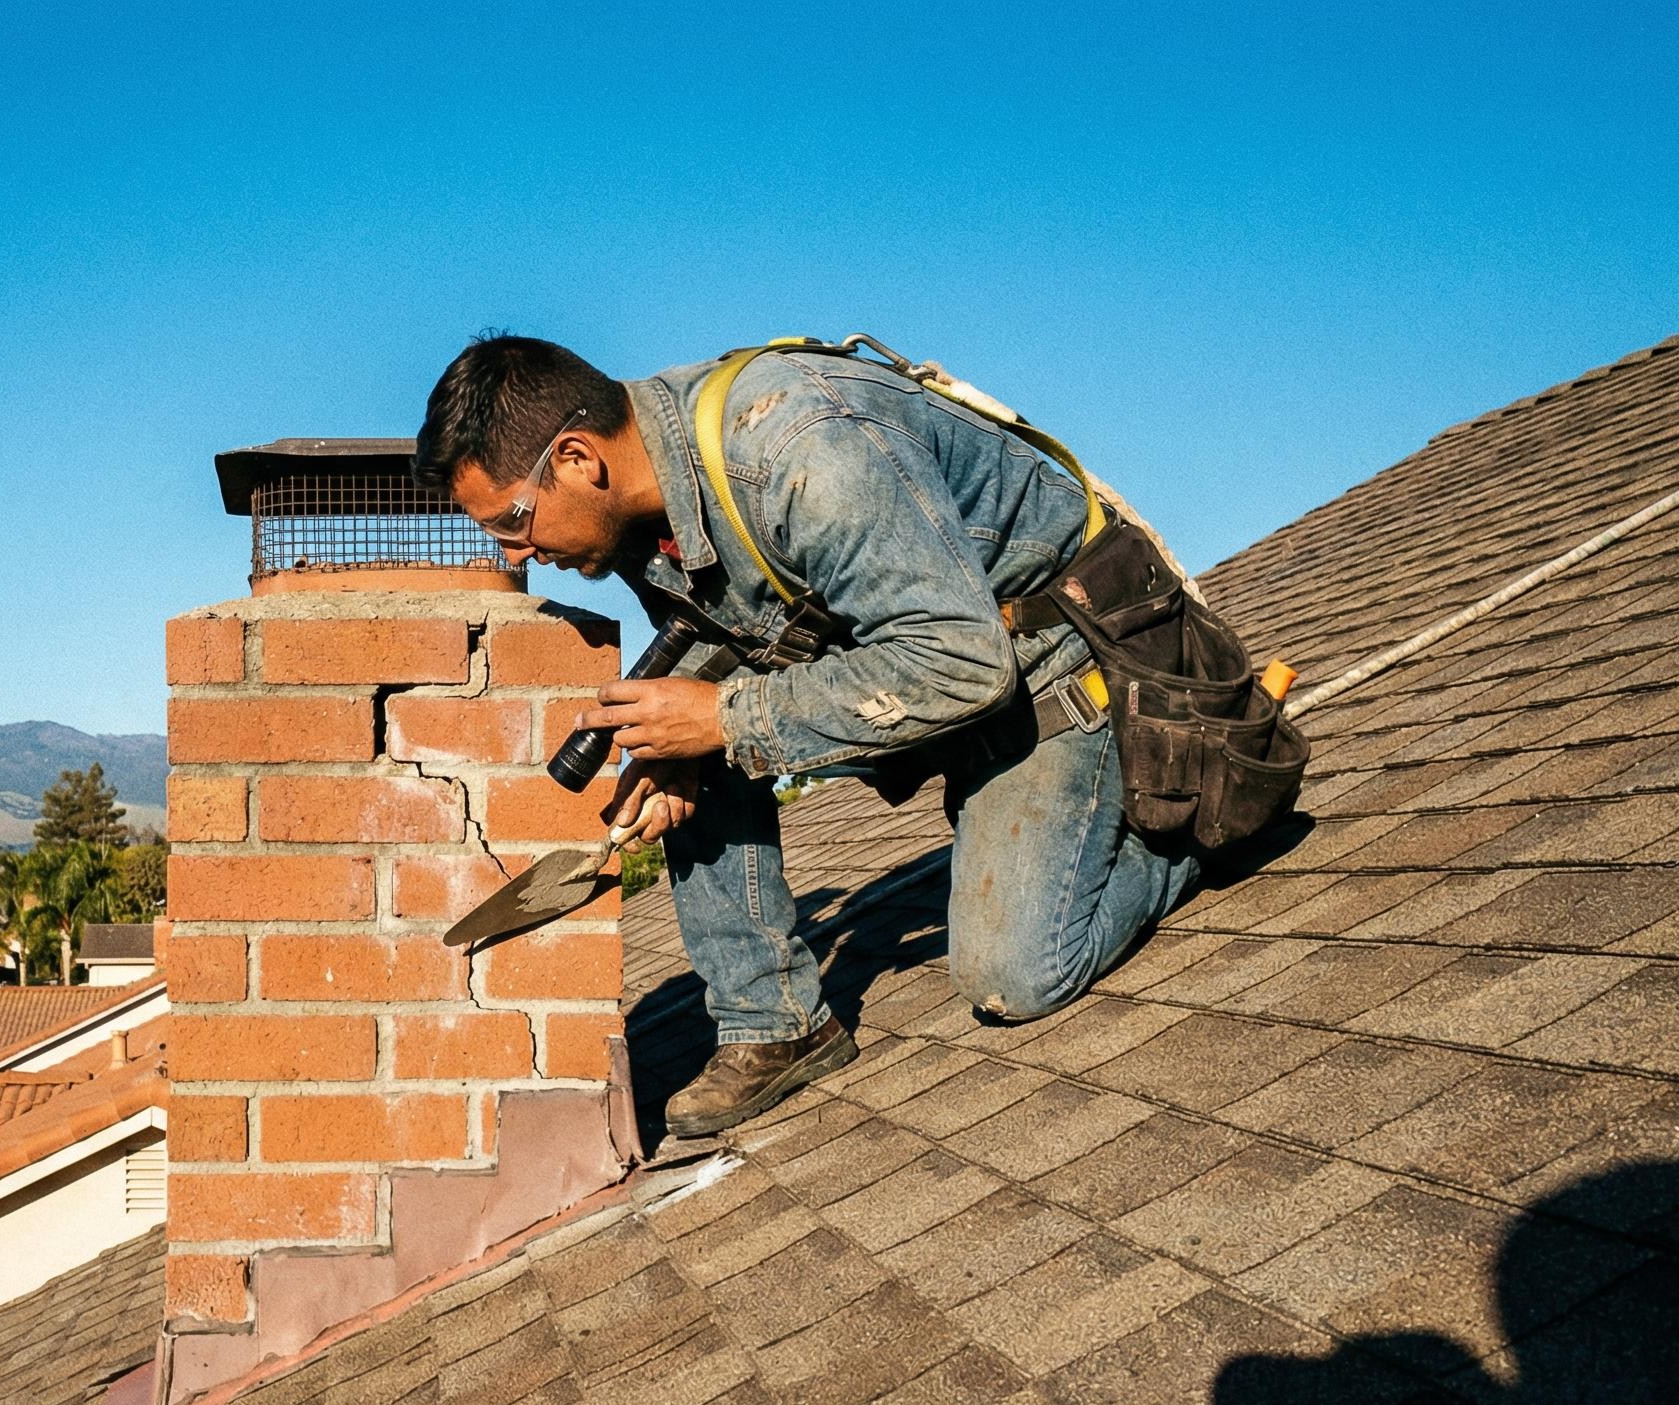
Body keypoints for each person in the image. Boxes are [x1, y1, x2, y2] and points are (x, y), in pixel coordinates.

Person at [415, 336, 1205, 1137]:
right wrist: (683, 748)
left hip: (1055, 669)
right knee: (678, 735)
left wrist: (722, 718)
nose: (514, 554)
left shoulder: (801, 447)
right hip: (917, 678)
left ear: (580, 458)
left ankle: (1192, 807)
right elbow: (731, 649)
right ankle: (777, 1023)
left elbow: (964, 660)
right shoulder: (634, 515)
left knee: (1017, 975)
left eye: (513, 521)